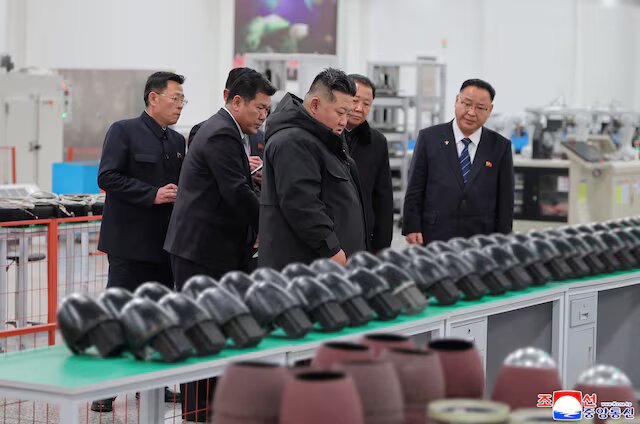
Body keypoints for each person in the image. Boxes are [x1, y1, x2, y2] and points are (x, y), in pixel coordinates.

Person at [95, 71, 186, 412]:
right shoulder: (123, 131)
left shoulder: (177, 142)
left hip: (163, 245)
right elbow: (107, 176)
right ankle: (106, 387)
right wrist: (152, 194)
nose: (180, 105)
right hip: (129, 244)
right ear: (153, 98)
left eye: (183, 100)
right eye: (175, 98)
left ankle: (152, 385)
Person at [258, 68, 368, 270]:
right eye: (340, 113)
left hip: (329, 266)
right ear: (315, 105)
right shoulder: (292, 142)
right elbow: (302, 204)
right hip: (308, 268)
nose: (344, 121)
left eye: (347, 114)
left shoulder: (323, 137)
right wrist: (332, 249)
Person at [402, 78, 514, 245]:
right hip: (434, 234)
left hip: (482, 239)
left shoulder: (500, 146)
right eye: (467, 104)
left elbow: (506, 200)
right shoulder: (429, 138)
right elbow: (415, 187)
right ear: (456, 100)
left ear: (490, 110)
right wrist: (411, 226)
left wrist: (503, 240)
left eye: (480, 108)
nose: (471, 112)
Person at [188, 67, 265, 187]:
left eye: (266, 109)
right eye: (259, 107)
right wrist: (242, 166)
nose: (263, 116)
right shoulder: (205, 132)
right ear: (228, 96)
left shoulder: (260, 136)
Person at [344, 74, 394, 252]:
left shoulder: (377, 141)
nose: (359, 108)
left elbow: (383, 197)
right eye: (355, 101)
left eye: (367, 104)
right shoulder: (324, 134)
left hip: (362, 236)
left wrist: (382, 246)